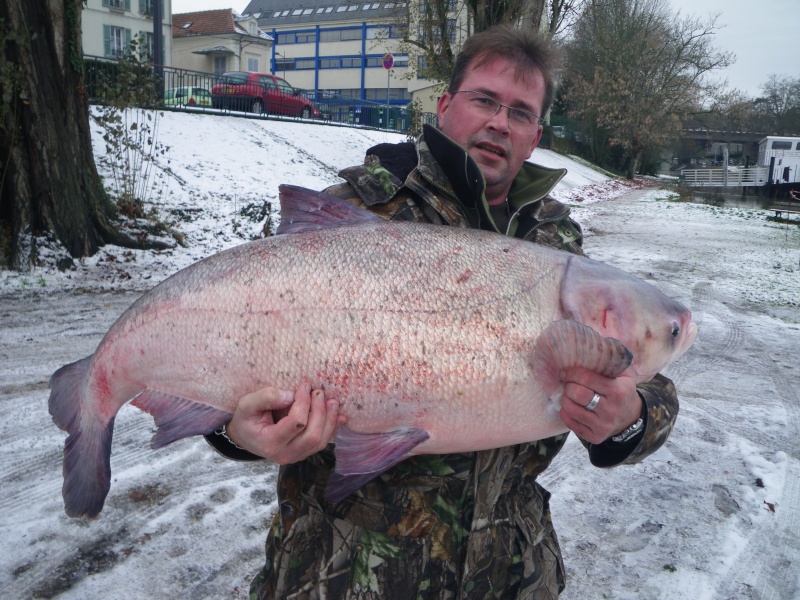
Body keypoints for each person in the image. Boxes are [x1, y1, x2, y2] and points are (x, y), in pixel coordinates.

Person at [205, 25, 678, 599]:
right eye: (485, 100)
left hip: (507, 573)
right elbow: (228, 344)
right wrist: (234, 433)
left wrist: (627, 419)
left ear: (534, 137)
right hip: (342, 573)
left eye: (521, 112)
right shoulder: (357, 210)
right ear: (446, 105)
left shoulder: (555, 244)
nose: (499, 122)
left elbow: (649, 381)